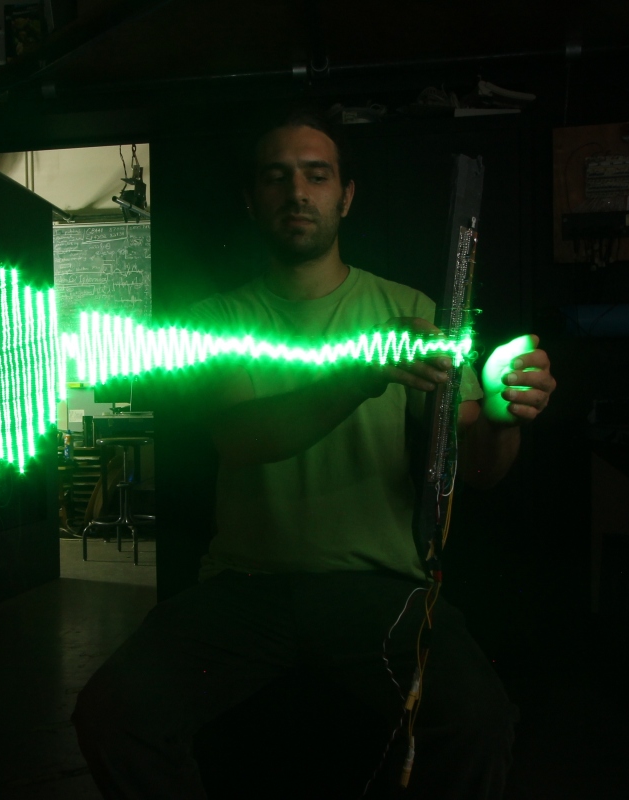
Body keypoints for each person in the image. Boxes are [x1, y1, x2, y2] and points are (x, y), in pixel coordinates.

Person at [72, 108, 557, 799]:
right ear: (252, 199)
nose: (297, 192)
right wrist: (358, 374)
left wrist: (506, 415)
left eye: (316, 175)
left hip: (379, 587)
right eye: (277, 177)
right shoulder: (218, 321)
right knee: (113, 714)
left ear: (345, 196)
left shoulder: (410, 308)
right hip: (245, 586)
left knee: (478, 720)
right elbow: (246, 438)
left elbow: (475, 471)